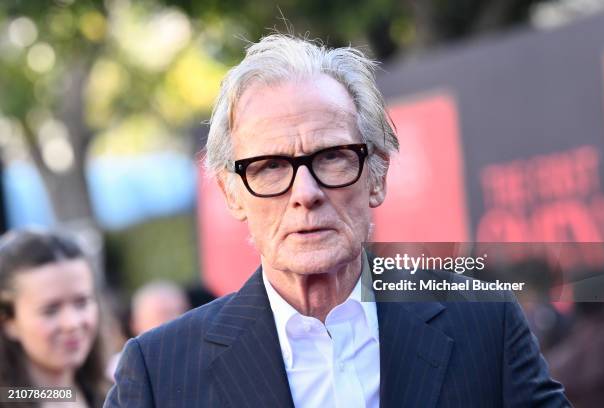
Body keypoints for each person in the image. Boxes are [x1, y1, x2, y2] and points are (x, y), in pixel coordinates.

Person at [105, 34, 570, 407]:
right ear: (232, 193)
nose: (305, 194)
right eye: (269, 167)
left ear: (378, 174)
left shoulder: (482, 322)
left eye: (331, 157)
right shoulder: (159, 372)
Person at [0, 229, 108, 407]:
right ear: (9, 322)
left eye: (81, 303)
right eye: (50, 310)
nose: (72, 323)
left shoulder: (116, 394)